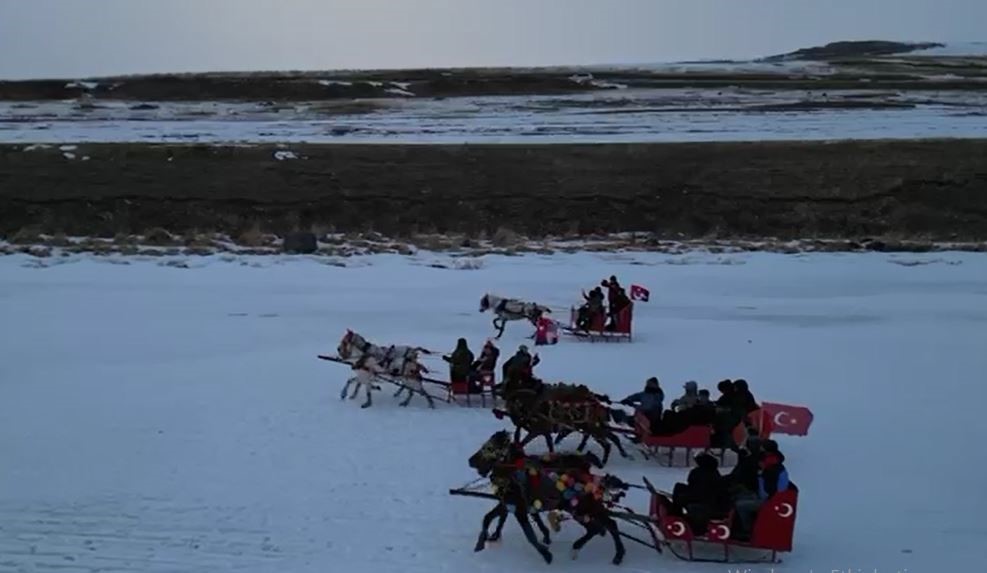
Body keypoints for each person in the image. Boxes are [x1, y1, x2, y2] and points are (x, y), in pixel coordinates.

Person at [733, 440, 793, 540]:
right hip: (767, 497)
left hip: (770, 501)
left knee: (740, 505)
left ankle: (747, 530)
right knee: (739, 495)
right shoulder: (774, 466)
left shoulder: (771, 471)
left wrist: (760, 476)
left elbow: (768, 492)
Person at [672, 452, 730, 535]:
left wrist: (684, 497)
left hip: (705, 501)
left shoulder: (699, 473)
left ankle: (676, 517)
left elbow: (699, 492)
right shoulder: (713, 472)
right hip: (706, 498)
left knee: (680, 496)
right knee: (679, 487)